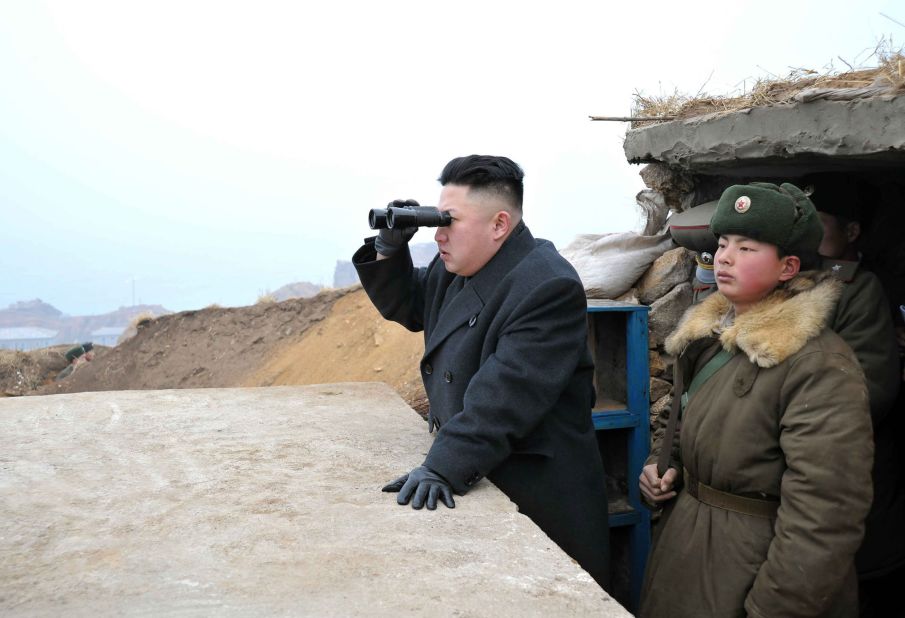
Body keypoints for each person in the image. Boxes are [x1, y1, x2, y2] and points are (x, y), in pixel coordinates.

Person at [352, 155, 610, 588]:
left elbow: (504, 397)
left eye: (450, 221)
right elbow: (412, 304)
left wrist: (441, 467)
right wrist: (389, 248)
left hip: (537, 493)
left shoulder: (547, 286)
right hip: (488, 467)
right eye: (437, 219)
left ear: (498, 225)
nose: (438, 235)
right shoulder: (461, 265)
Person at [638, 182, 873, 617]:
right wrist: (662, 462)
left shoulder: (819, 366)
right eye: (724, 243)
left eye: (747, 248)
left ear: (788, 268)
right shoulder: (709, 342)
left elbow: (825, 515)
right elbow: (688, 416)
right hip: (686, 549)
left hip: (751, 569)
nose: (724, 257)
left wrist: (773, 608)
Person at [806, 173, 905, 618]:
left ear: (852, 231)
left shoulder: (862, 289)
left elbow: (871, 390)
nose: (810, 232)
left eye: (820, 221)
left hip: (852, 474)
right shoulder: (798, 278)